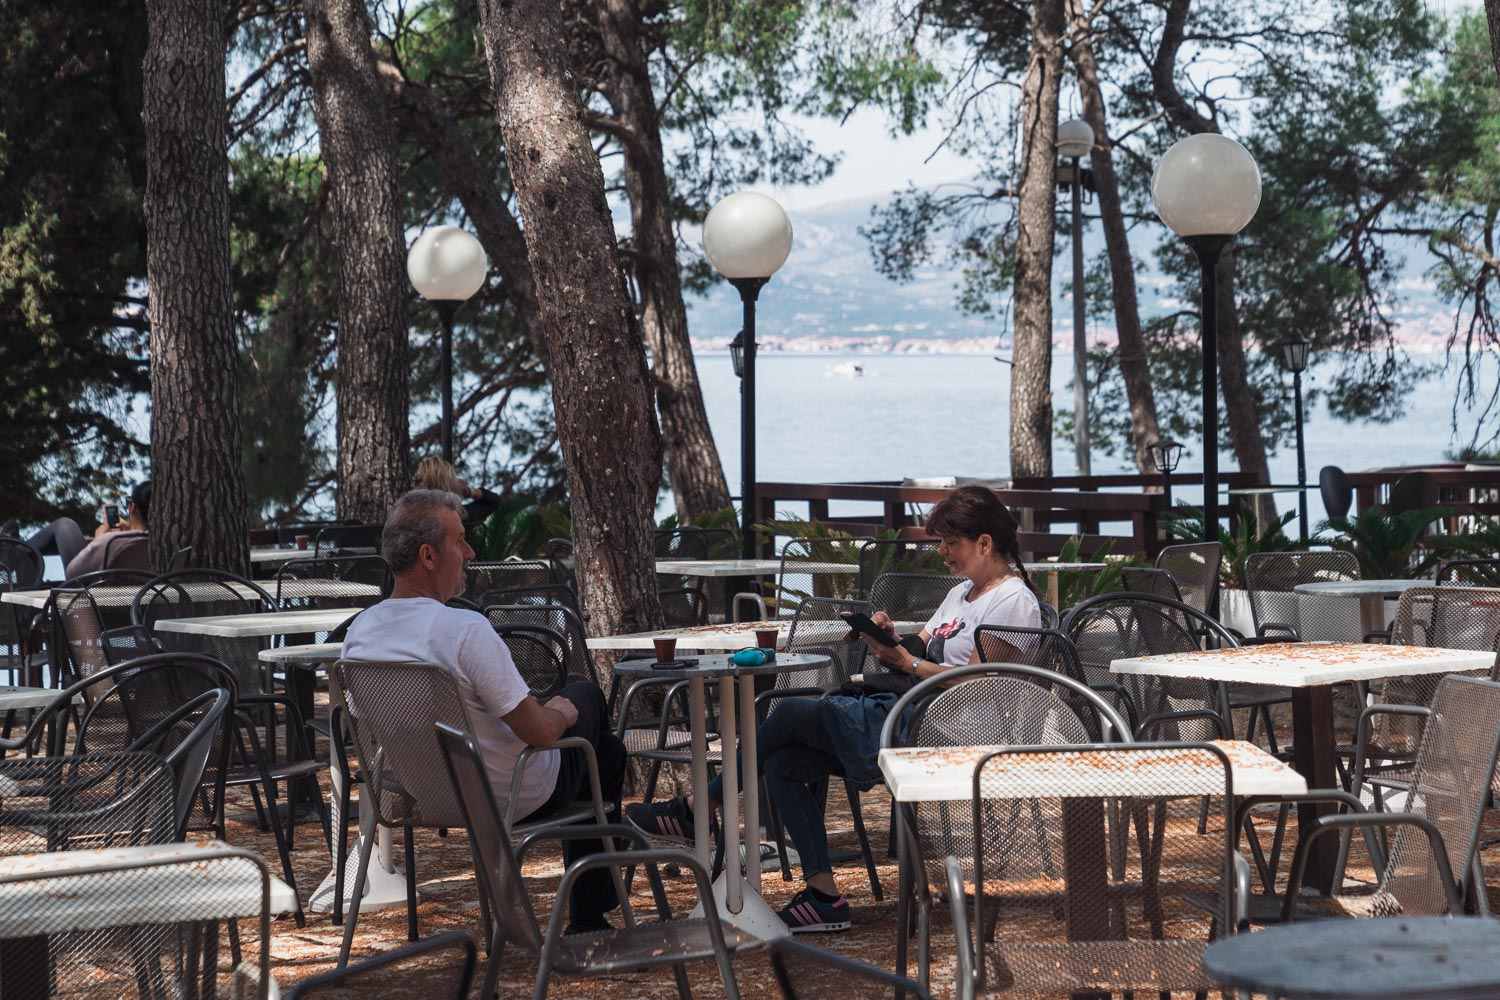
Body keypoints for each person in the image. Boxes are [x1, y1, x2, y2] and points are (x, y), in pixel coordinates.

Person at [627, 485, 1041, 933]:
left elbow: (974, 683)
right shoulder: (962, 594)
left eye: (951, 543)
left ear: (984, 543)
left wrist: (908, 662)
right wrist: (888, 640)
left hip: (951, 733)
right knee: (784, 762)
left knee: (789, 713)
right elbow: (923, 646)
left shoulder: (1012, 602)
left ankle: (700, 805)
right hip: (908, 713)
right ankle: (824, 897)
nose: (942, 552)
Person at [341, 489, 625, 932]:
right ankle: (591, 912)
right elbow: (540, 734)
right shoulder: (464, 630)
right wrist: (563, 712)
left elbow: (373, 722)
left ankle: (596, 900)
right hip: (511, 793)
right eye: (460, 541)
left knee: (608, 752)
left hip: (422, 795)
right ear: (429, 556)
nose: (471, 553)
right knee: (587, 701)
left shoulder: (360, 633)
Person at [61, 481, 153, 579]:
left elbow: (72, 574)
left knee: (64, 524)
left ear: (132, 507)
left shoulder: (110, 541)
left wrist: (98, 540)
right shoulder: (161, 543)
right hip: (152, 588)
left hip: (110, 589)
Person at [412, 456, 502, 524]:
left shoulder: (459, 514)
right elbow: (494, 502)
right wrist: (468, 491)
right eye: (453, 478)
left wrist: (468, 491)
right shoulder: (455, 516)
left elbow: (494, 501)